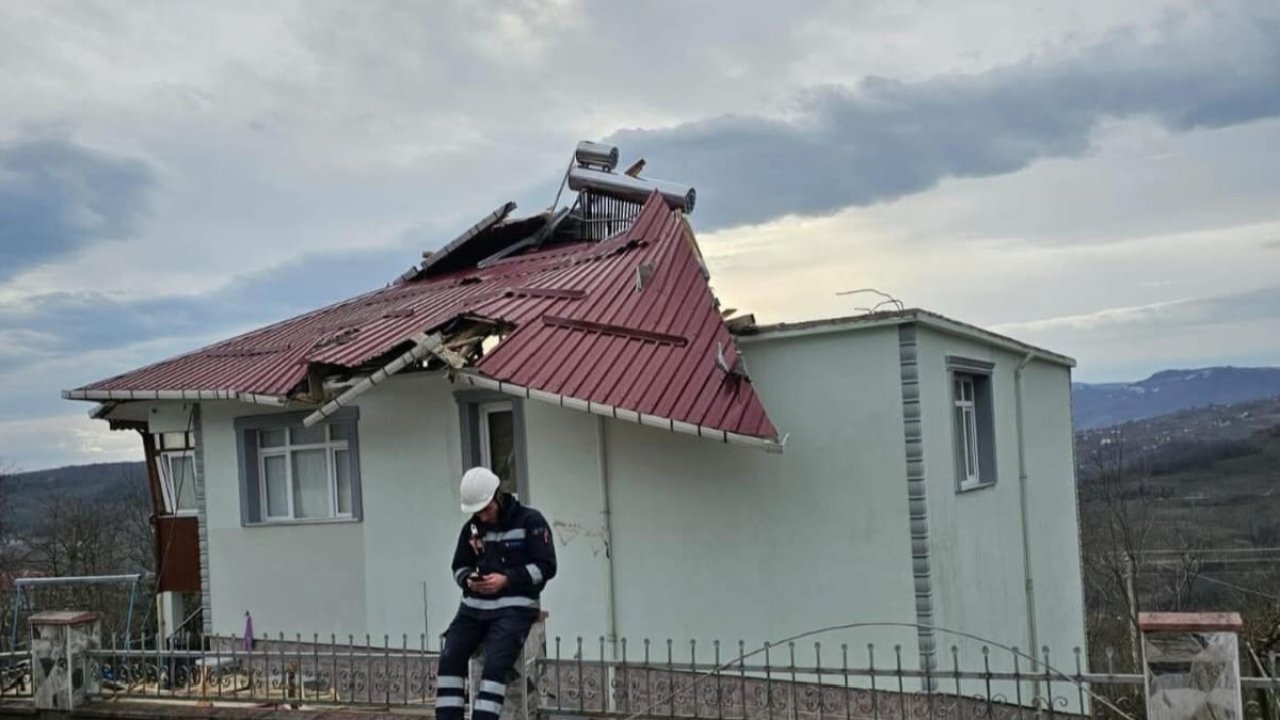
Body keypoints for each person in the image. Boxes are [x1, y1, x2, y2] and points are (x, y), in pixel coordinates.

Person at [435, 467, 557, 720]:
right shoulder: (472, 529)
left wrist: (507, 580)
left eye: (486, 509)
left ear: (498, 496)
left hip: (515, 607)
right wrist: (469, 580)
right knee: (450, 658)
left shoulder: (531, 522)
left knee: (495, 667)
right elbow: (458, 566)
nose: (483, 516)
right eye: (477, 512)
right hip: (474, 608)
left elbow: (546, 567)